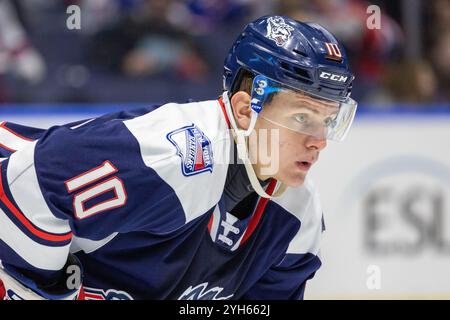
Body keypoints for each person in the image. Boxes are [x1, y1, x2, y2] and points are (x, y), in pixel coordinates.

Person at [0, 15, 357, 300]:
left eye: (327, 121)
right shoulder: (175, 156)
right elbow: (26, 182)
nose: (319, 141)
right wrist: (44, 290)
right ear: (245, 110)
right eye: (301, 118)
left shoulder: (298, 218)